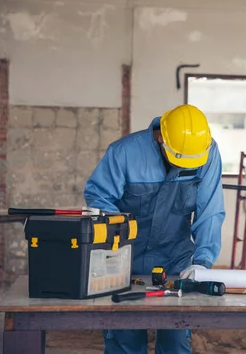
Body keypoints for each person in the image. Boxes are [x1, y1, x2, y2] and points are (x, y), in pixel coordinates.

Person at [84, 104, 225, 354]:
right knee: (124, 340)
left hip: (176, 260)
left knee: (176, 339)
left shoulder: (207, 151)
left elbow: (210, 210)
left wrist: (202, 263)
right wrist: (115, 251)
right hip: (125, 260)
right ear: (161, 137)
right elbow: (100, 198)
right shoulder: (124, 153)